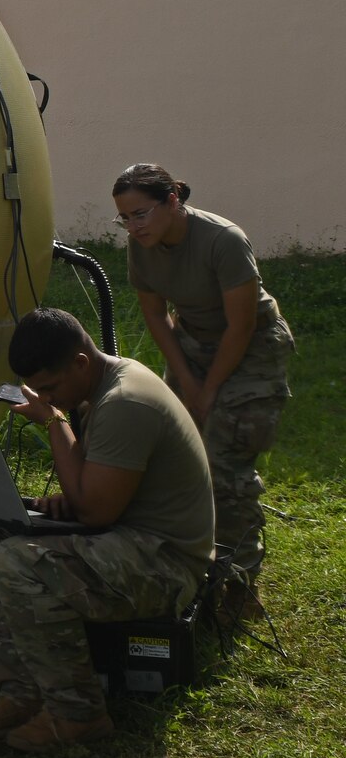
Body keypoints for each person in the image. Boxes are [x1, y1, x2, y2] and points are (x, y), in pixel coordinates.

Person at [0, 308, 213, 751]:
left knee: (19, 563)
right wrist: (63, 500)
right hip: (124, 535)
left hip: (165, 563)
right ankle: (23, 691)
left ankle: (78, 714)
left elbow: (96, 513)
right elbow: (94, 495)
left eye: (50, 388)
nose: (47, 399)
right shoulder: (97, 391)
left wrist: (54, 422)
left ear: (81, 364)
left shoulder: (126, 401)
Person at [112, 163, 294, 600]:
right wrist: (187, 385)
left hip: (251, 348)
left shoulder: (223, 240)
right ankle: (182, 559)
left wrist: (208, 390)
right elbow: (157, 316)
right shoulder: (143, 246)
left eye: (141, 214)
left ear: (173, 201)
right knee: (171, 451)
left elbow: (241, 326)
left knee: (224, 461)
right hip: (191, 339)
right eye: (124, 217)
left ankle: (237, 585)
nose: (133, 226)